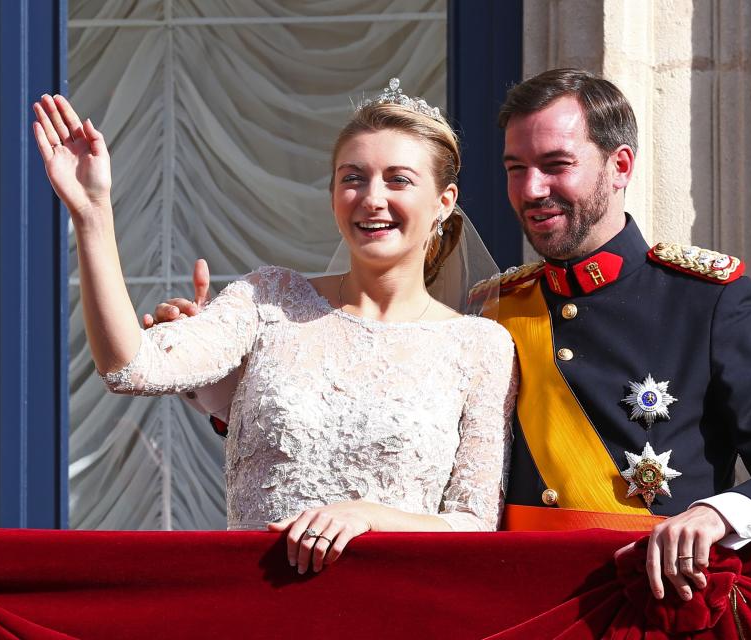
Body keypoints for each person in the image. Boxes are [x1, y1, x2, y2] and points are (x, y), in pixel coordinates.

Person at [153, 69, 751, 602]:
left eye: (556, 166)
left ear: (619, 166)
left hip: (645, 608)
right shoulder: (488, 309)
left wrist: (717, 517)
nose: (532, 191)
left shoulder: (705, 302)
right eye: (515, 169)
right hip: (509, 609)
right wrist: (228, 386)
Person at [32, 82, 517, 575]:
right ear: (332, 194)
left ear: (443, 201)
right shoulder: (269, 298)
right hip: (257, 604)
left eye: (398, 180)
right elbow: (131, 367)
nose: (372, 198)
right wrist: (92, 213)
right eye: (353, 178)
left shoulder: (480, 346)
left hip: (395, 607)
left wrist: (370, 517)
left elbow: (474, 525)